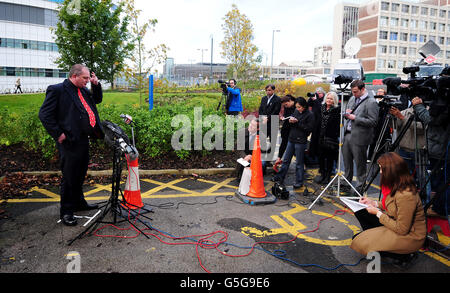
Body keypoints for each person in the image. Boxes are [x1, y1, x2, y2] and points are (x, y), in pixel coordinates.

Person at [39, 64, 104, 226]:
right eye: (85, 78)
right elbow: (44, 115)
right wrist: (58, 134)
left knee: (80, 173)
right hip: (68, 141)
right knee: (69, 177)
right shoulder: (58, 90)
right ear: (74, 76)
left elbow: (97, 100)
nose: (87, 81)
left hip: (83, 139)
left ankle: (79, 203)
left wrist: (96, 85)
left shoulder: (83, 90)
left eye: (89, 78)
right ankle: (67, 211)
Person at [350, 152, 426, 268]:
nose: (380, 172)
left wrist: (378, 213)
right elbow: (391, 205)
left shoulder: (406, 195)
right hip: (395, 223)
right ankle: (378, 243)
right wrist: (373, 203)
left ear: (391, 171)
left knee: (359, 240)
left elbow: (402, 229)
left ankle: (405, 255)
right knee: (361, 211)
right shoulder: (397, 184)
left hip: (410, 236)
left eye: (382, 169)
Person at [342, 80, 379, 193]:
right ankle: (346, 183)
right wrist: (346, 113)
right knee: (347, 163)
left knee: (360, 164)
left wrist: (355, 118)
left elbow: (373, 122)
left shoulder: (371, 102)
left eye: (356, 91)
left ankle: (359, 188)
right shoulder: (353, 98)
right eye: (352, 92)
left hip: (360, 138)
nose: (354, 94)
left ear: (363, 89)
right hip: (347, 134)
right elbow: (348, 114)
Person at [272, 97, 314, 189]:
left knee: (299, 162)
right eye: (296, 107)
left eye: (299, 107)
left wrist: (297, 122)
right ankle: (279, 177)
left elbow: (309, 129)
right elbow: (293, 123)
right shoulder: (296, 111)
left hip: (301, 141)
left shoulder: (310, 115)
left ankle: (299, 181)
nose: (298, 109)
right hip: (291, 139)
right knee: (286, 160)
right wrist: (291, 121)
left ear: (304, 106)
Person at [314, 92, 340, 185]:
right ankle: (322, 175)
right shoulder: (321, 108)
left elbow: (337, 126)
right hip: (320, 136)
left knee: (329, 159)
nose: (329, 100)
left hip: (330, 138)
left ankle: (328, 177)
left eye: (331, 99)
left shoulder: (337, 110)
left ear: (334, 100)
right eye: (328, 98)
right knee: (321, 157)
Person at [275, 95, 296, 166]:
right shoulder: (287, 106)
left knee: (294, 145)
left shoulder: (297, 105)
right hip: (286, 126)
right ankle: (279, 157)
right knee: (284, 142)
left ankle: (302, 161)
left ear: (290, 101)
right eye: (284, 106)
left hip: (294, 128)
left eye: (286, 105)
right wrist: (283, 117)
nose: (285, 106)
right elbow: (286, 114)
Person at [307, 87, 326, 164]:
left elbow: (322, 108)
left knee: (319, 138)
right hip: (314, 120)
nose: (318, 95)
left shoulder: (325, 99)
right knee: (313, 138)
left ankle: (319, 155)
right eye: (317, 93)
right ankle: (312, 155)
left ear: (323, 93)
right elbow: (309, 105)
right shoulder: (314, 98)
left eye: (320, 93)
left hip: (321, 121)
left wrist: (316, 100)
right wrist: (311, 99)